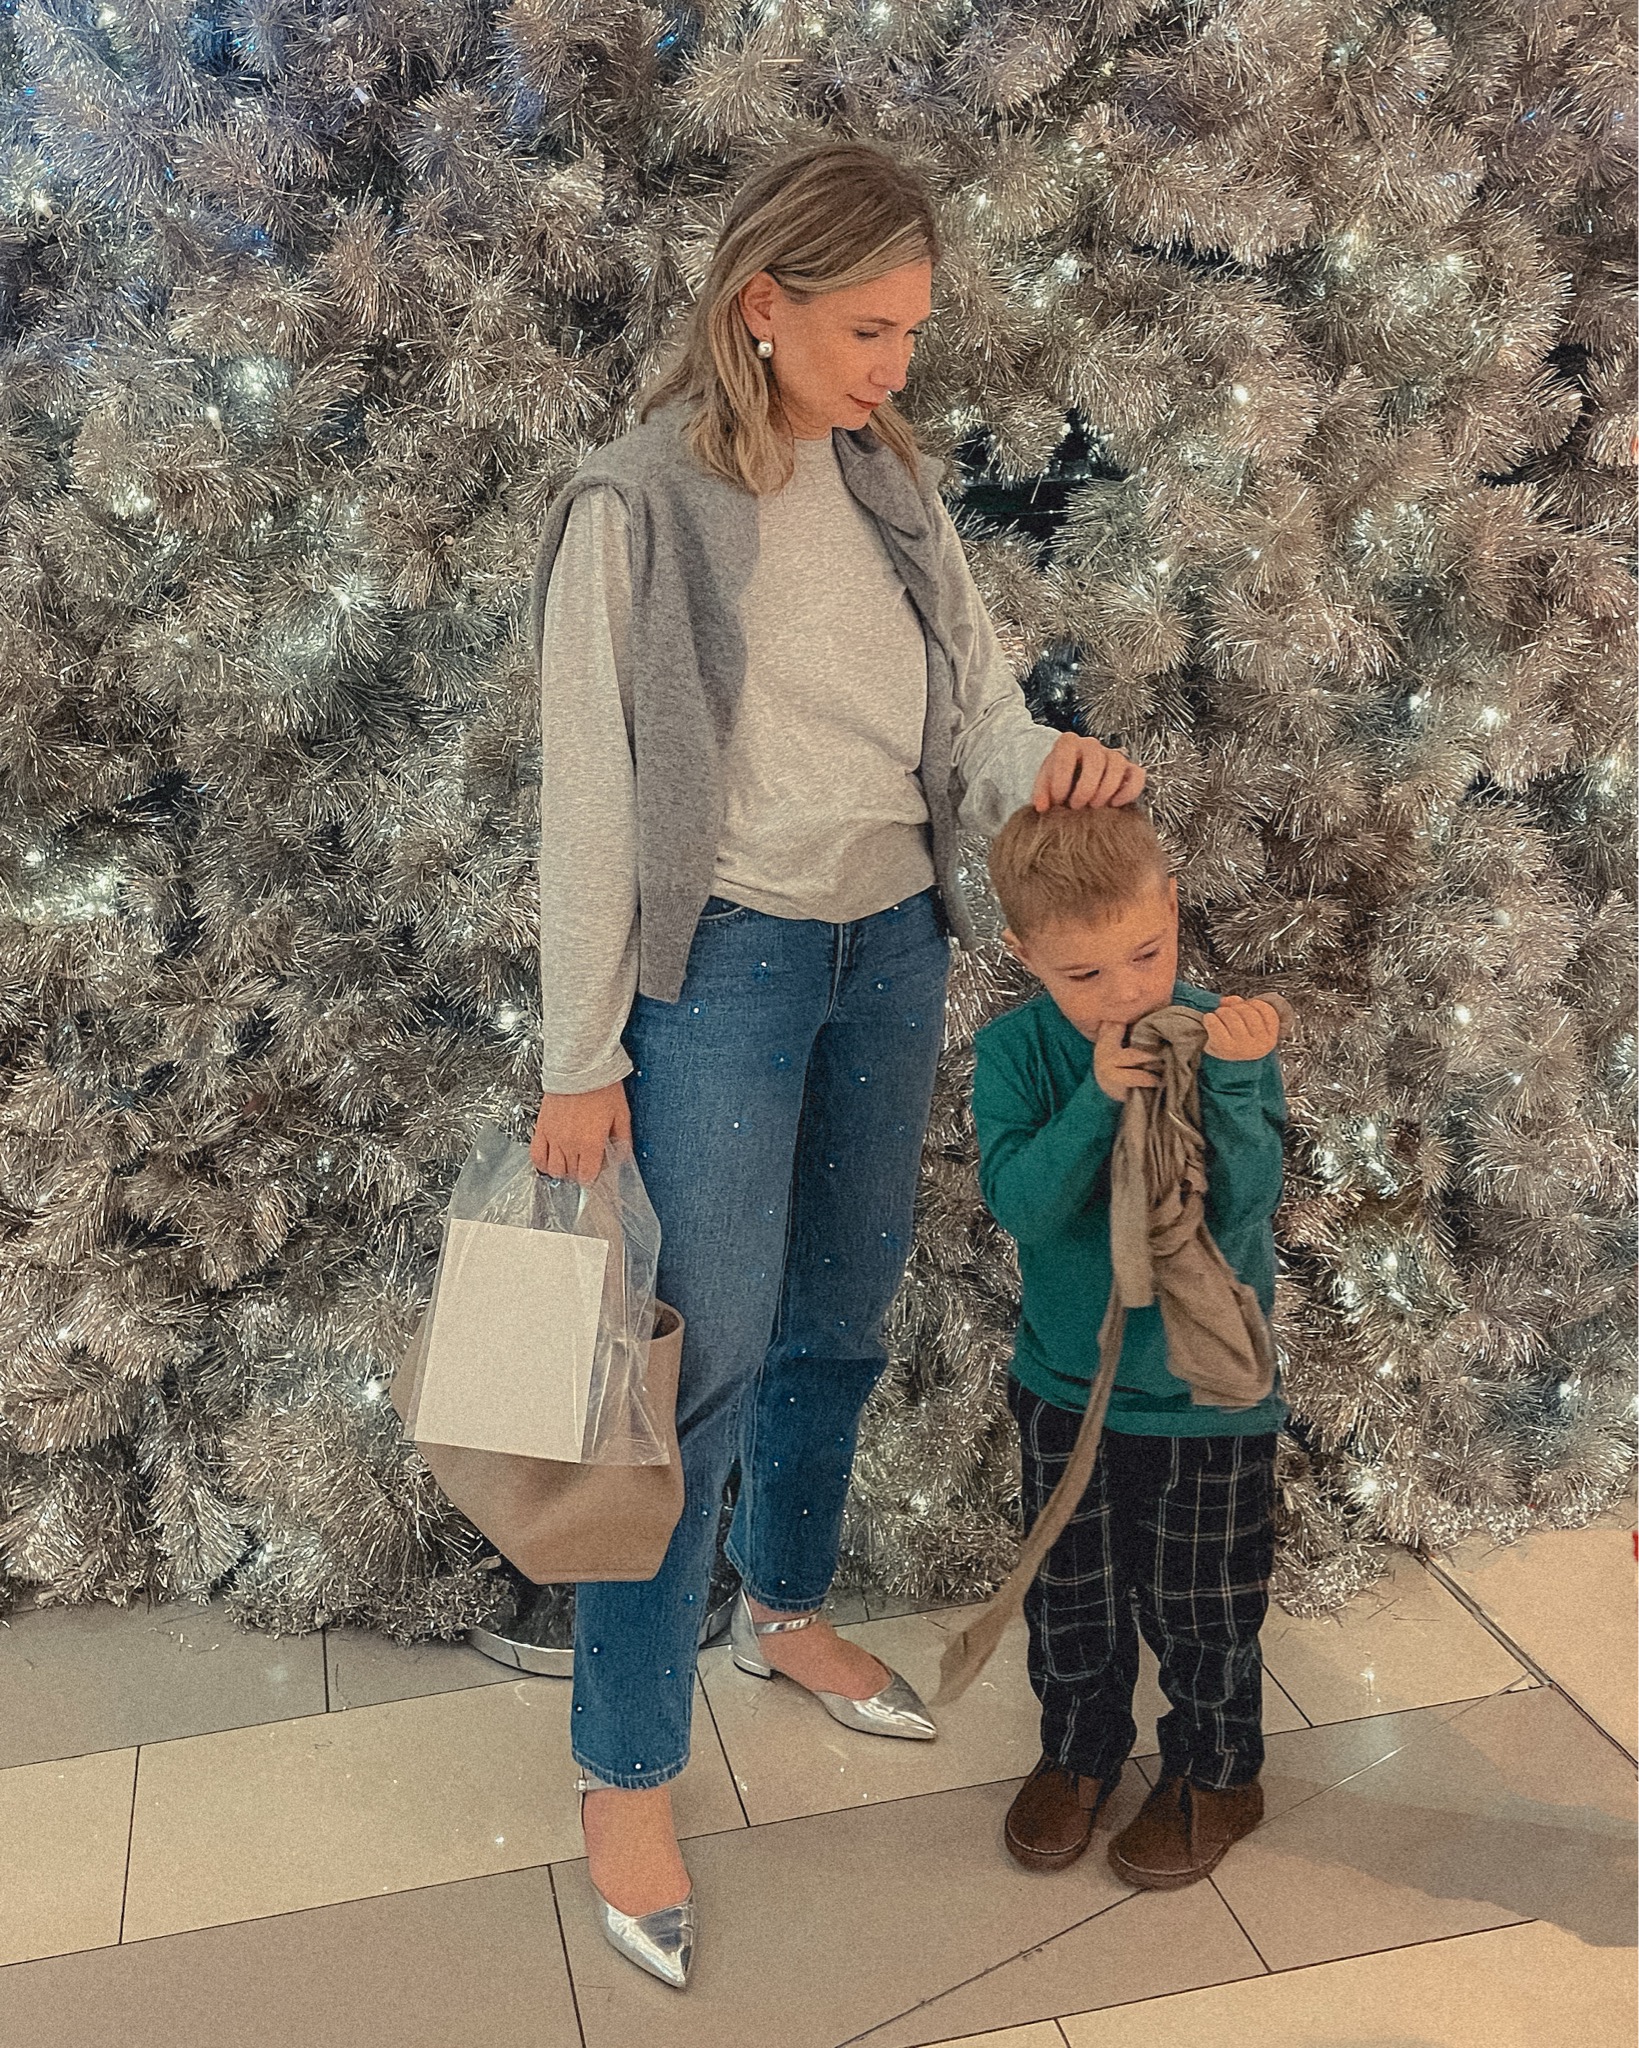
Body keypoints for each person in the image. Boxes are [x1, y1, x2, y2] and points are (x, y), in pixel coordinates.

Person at [529, 140, 1145, 1988]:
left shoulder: (883, 477)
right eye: (866, 329)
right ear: (759, 307)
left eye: (911, 331)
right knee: (688, 1378)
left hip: (888, 948)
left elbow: (965, 702)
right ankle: (623, 1766)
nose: (895, 365)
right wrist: (580, 1052)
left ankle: (778, 1609)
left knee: (836, 1321)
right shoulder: (627, 508)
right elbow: (583, 796)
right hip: (713, 973)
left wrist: (1044, 764)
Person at [971, 802, 1287, 1890]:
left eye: (1146, 955)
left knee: (1203, 1598)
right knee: (1075, 1589)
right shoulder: (1016, 1051)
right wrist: (1094, 1106)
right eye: (1083, 974)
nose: (1124, 993)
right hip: (1069, 1383)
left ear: (1172, 911)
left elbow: (1243, 1213)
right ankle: (1080, 1746)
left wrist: (1238, 1080)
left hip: (1206, 1394)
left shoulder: (1211, 1034)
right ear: (1025, 955)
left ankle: (1216, 1769)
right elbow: (1023, 1203)